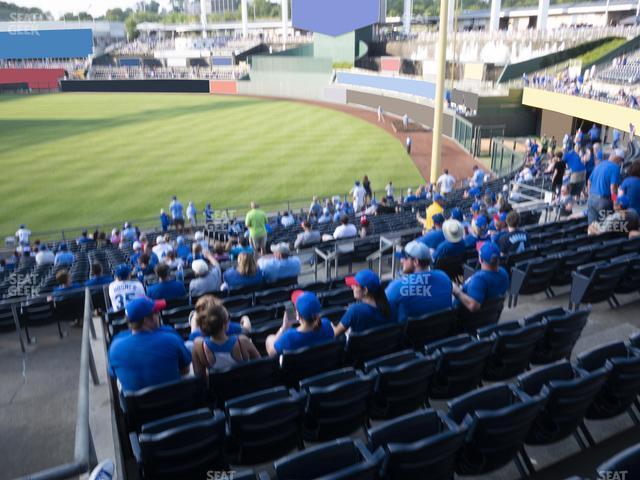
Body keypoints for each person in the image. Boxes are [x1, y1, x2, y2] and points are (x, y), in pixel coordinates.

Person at [108, 297, 191, 392]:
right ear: (146, 320)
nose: (158, 315)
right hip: (176, 402)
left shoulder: (115, 347)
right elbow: (185, 370)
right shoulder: (171, 338)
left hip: (137, 406)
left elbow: (114, 375)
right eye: (156, 312)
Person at [385, 241, 453, 323]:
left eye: (405, 258)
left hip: (411, 335)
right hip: (444, 332)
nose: (401, 261)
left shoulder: (395, 286)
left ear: (415, 262)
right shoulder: (444, 277)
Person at [191, 302, 260, 375]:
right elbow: (261, 365)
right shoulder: (242, 341)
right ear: (224, 325)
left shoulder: (198, 346)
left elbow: (199, 376)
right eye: (228, 319)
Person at [265, 291, 334, 356]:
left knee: (270, 338)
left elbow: (272, 353)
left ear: (297, 315)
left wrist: (284, 327)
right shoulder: (327, 325)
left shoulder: (289, 337)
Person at [452, 242, 509, 313]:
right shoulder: (504, 273)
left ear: (481, 259)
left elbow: (474, 306)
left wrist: (457, 291)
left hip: (465, 319)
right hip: (489, 316)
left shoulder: (479, 279)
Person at [333, 269, 393, 337]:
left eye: (355, 285)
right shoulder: (390, 305)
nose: (352, 287)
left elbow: (334, 334)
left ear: (365, 290)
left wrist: (330, 327)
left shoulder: (355, 310)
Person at [587, 155, 622, 224]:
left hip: (591, 199)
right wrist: (615, 201)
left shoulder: (599, 165)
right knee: (605, 227)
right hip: (604, 201)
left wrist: (589, 195)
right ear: (618, 158)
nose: (621, 163)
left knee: (592, 227)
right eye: (621, 160)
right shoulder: (615, 168)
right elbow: (613, 187)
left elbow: (589, 181)